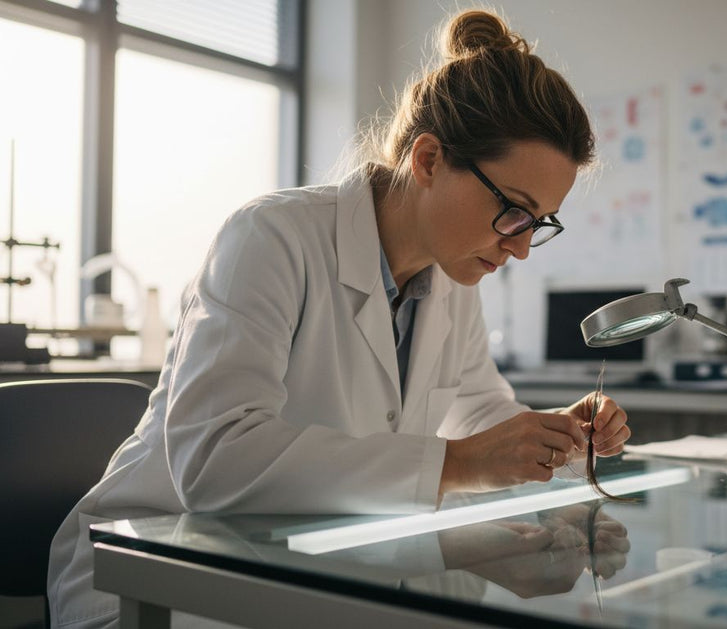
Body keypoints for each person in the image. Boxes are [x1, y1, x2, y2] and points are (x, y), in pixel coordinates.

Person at [48, 9, 631, 627]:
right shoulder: (271, 237)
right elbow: (215, 460)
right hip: (152, 581)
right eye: (513, 210)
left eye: (538, 223)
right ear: (429, 159)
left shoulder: (455, 274)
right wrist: (459, 464)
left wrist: (556, 437)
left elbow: (480, 411)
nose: (518, 247)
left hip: (314, 565)